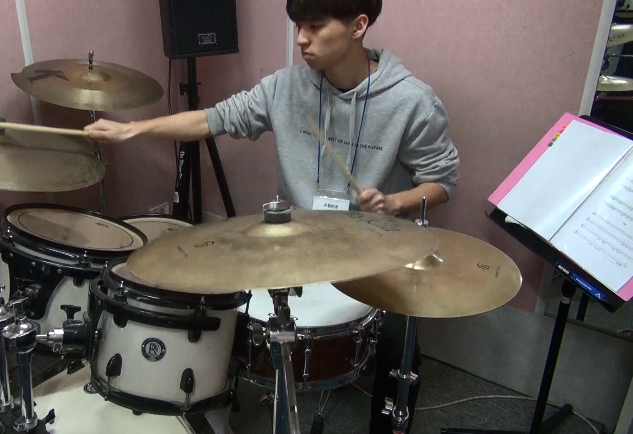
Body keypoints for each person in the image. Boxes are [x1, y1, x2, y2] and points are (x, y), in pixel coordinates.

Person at [85, 1, 459, 432]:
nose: (301, 39)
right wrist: (134, 129)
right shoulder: (287, 88)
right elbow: (213, 120)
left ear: (358, 26)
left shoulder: (411, 100)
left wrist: (396, 203)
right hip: (298, 243)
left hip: (376, 253)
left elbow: (442, 180)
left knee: (399, 342)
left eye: (314, 27)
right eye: (298, 26)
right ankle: (213, 406)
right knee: (220, 298)